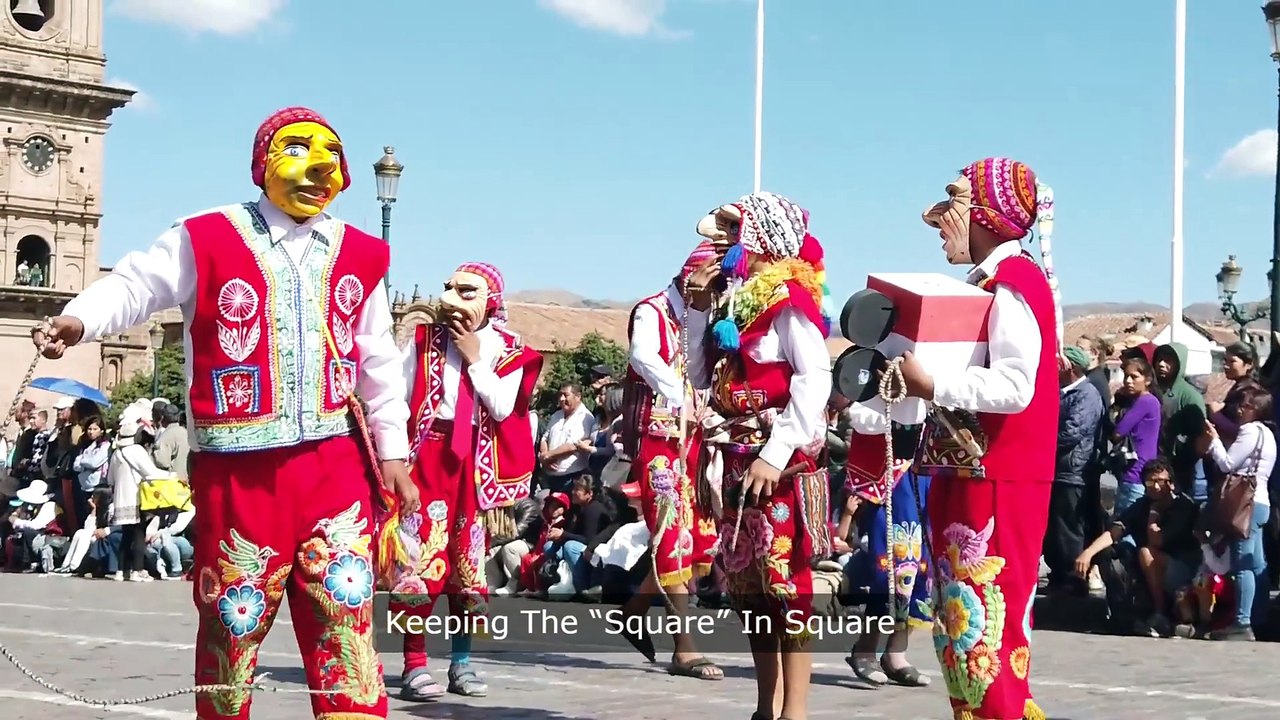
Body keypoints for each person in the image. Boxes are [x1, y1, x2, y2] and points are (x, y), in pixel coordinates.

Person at [32, 106, 416, 720]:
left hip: (336, 467)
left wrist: (392, 450)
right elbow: (136, 286)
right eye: (298, 150)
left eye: (332, 157)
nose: (320, 169)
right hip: (240, 476)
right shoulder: (205, 236)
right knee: (232, 630)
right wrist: (79, 319)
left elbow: (377, 359)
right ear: (262, 164)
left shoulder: (362, 254)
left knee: (345, 628)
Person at [896, 158, 1061, 720]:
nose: (938, 221)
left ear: (986, 214)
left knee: (986, 639)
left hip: (997, 479)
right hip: (971, 474)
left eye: (953, 205)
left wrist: (932, 383)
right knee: (966, 640)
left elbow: (1016, 386)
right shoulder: (990, 284)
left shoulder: (1014, 282)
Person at [697, 192, 833, 720]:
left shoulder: (789, 299)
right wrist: (699, 309)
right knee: (748, 587)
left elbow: (814, 379)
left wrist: (775, 454)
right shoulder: (734, 301)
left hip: (778, 463)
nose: (724, 240)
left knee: (785, 584)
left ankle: (794, 712)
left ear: (762, 237)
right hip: (736, 460)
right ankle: (763, 708)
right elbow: (701, 373)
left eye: (736, 230)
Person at [392, 261, 542, 701]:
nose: (453, 299)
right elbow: (398, 398)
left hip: (476, 468)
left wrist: (475, 357)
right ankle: (414, 663)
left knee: (469, 567)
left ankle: (462, 662)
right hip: (428, 458)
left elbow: (502, 407)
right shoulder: (424, 342)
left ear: (491, 301)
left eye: (467, 291)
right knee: (417, 563)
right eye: (449, 288)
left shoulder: (510, 349)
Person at [612, 240, 722, 680]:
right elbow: (643, 356)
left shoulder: (710, 314)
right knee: (671, 532)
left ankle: (634, 609)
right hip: (659, 437)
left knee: (697, 536)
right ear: (691, 278)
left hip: (696, 436)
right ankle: (684, 648)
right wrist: (681, 395)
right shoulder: (652, 311)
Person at [1074, 458, 1200, 637]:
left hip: (1183, 571)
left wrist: (1153, 515)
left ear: (1171, 484)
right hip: (1151, 571)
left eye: (1161, 481)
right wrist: (1087, 554)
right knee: (1114, 553)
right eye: (1150, 482)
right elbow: (1114, 532)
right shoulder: (1141, 505)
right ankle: (1122, 614)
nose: (1155, 487)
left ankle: (1160, 613)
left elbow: (1157, 540)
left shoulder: (1183, 506)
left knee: (1146, 552)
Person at [1204, 384, 1276, 641]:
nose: (1240, 410)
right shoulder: (1268, 434)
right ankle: (1259, 617)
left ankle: (1242, 621)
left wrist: (1214, 441)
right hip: (1262, 501)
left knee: (1242, 564)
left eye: (1247, 406)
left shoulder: (1249, 431)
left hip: (1245, 504)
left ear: (1257, 409)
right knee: (1257, 563)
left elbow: (1227, 464)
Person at [1152, 342, 1208, 496]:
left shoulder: (1189, 395)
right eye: (1159, 359)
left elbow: (1200, 434)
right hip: (1152, 464)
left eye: (1168, 360)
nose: (1161, 364)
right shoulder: (1152, 390)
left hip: (1179, 469)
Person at [1112, 357, 1162, 514]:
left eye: (1134, 377)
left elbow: (1118, 433)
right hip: (1142, 473)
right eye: (1126, 376)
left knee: (1123, 523)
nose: (1128, 381)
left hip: (1135, 473)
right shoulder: (1148, 401)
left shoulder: (1145, 401)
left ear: (1147, 380)